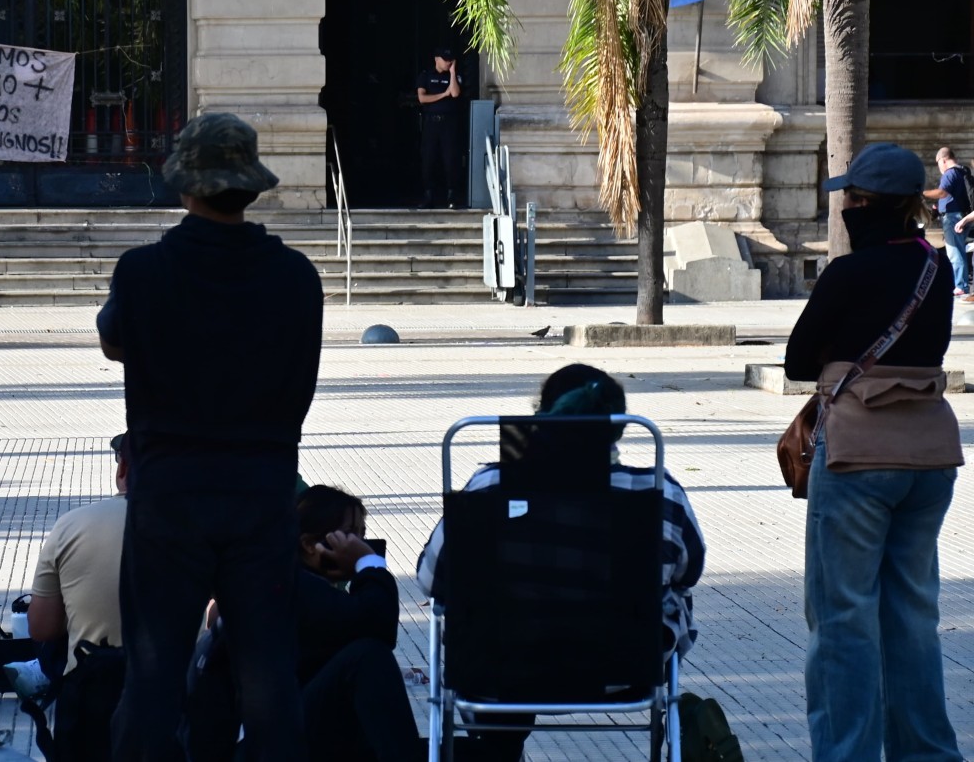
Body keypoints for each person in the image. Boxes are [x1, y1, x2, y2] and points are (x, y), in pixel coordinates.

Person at [98, 111, 324, 762]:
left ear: (185, 186)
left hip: (169, 494)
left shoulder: (142, 272)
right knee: (270, 678)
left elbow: (114, 340)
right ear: (251, 187)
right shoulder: (297, 276)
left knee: (152, 679)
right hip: (262, 491)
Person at [416, 363, 706, 762]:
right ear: (617, 426)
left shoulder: (487, 488)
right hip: (622, 672)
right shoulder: (659, 494)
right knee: (675, 598)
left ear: (541, 416)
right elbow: (690, 571)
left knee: (476, 612)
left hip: (497, 672)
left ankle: (498, 748)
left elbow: (430, 580)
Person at [787, 142, 963, 762]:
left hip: (856, 456)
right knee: (912, 615)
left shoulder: (848, 273)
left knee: (842, 618)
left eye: (852, 199)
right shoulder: (936, 269)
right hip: (930, 456)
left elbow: (798, 359)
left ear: (863, 203)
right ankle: (927, 753)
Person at [294, 485, 419, 762]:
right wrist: (370, 564)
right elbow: (378, 623)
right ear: (309, 544)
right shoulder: (297, 587)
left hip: (315, 730)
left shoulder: (310, 584)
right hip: (285, 736)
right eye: (349, 534)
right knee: (368, 656)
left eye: (362, 535)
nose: (359, 545)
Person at [28, 432, 130, 675]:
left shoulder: (70, 526)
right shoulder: (201, 526)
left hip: (95, 685)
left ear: (123, 469)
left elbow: (41, 628)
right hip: (182, 687)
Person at [416, 48, 464, 209]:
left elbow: (455, 93)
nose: (448, 62)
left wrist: (452, 73)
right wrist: (443, 94)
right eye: (445, 59)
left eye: (450, 59)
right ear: (436, 59)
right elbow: (422, 98)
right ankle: (428, 195)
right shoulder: (426, 76)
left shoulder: (453, 76)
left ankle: (451, 196)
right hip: (431, 123)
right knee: (428, 159)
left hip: (448, 124)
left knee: (450, 159)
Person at [922, 146, 969, 295]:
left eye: (938, 164)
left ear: (943, 160)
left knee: (955, 252)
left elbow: (942, 192)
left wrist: (922, 193)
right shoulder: (963, 171)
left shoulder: (950, 173)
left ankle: (960, 286)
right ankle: (962, 284)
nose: (939, 168)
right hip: (962, 215)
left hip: (952, 217)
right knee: (959, 250)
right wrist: (938, 207)